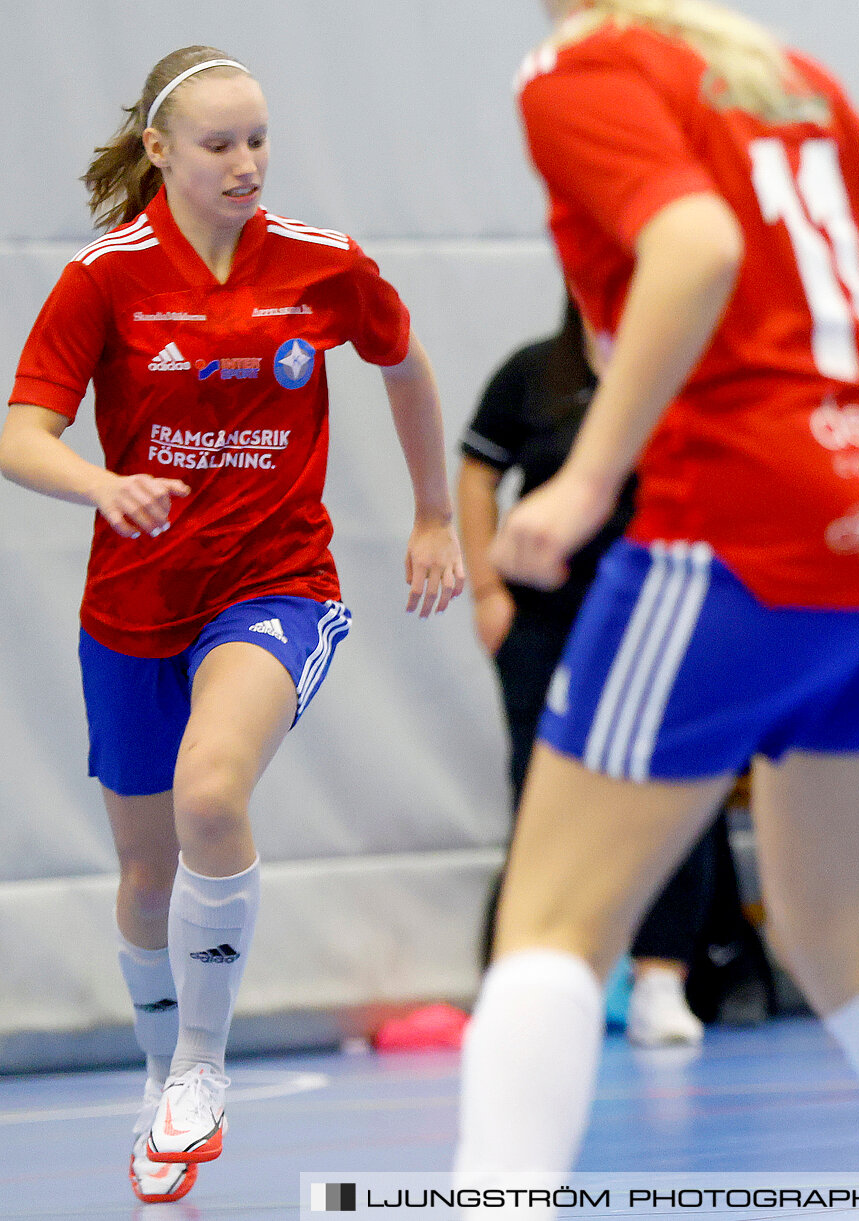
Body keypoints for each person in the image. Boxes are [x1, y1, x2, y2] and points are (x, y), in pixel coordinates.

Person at [454, 1, 859, 1201]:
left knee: (553, 926)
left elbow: (696, 246)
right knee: (845, 936)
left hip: (750, 523)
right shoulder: (773, 69)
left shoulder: (580, 67)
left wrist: (587, 476)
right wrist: (829, 382)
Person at [0, 48, 464, 1205]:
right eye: (220, 144)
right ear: (161, 151)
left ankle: (206, 1068)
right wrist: (100, 486)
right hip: (131, 605)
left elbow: (404, 369)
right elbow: (19, 435)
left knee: (213, 789)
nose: (247, 163)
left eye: (259, 139)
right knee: (148, 869)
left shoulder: (323, 265)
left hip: (276, 584)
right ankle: (166, 1073)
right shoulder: (103, 279)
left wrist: (433, 516)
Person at [457, 297, 720, 1046]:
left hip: (656, 613)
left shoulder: (679, 368)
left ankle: (661, 979)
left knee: (671, 794)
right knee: (541, 798)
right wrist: (485, 589)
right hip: (546, 623)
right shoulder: (535, 374)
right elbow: (478, 474)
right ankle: (533, 982)